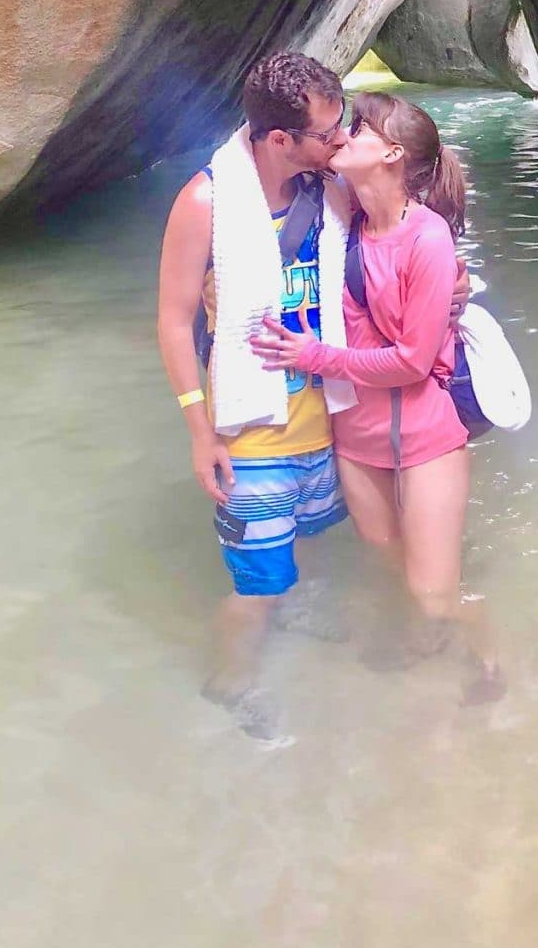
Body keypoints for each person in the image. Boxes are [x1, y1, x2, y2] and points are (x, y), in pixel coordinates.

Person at [157, 53, 467, 737]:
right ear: (278, 140)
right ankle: (228, 686)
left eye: (341, 127)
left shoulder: (328, 192)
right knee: (253, 592)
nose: (337, 141)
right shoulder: (206, 202)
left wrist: (455, 287)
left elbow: (409, 216)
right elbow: (174, 319)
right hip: (253, 435)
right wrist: (199, 430)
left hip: (329, 425)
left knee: (306, 564)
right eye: (326, 131)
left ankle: (347, 634)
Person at [252, 92, 504, 704]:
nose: (342, 137)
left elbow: (414, 361)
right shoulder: (337, 222)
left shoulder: (428, 237)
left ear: (391, 153)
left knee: (432, 593)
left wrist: (313, 357)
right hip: (356, 441)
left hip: (426, 437)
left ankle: (492, 656)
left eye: (357, 128)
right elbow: (260, 143)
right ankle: (430, 639)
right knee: (395, 568)